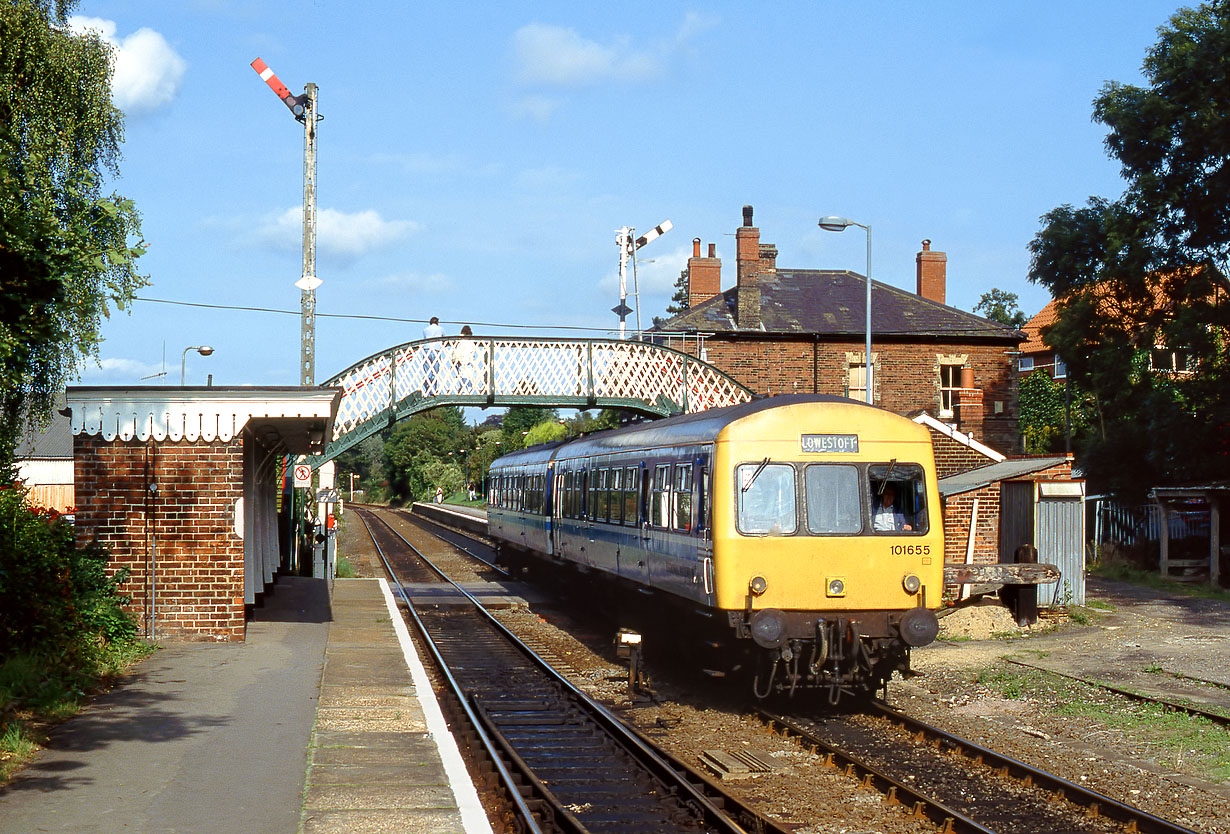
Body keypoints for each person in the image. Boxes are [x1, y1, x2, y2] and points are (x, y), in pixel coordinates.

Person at [451, 324, 482, 393]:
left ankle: (464, 390)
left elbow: (456, 350)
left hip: (461, 360)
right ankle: (467, 391)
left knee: (462, 376)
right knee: (468, 377)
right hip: (468, 360)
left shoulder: (459, 340)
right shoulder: (471, 341)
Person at [421, 316, 444, 394]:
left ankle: (428, 388)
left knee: (427, 371)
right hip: (436, 349)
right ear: (437, 322)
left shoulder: (425, 330)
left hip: (426, 349)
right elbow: (444, 337)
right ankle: (433, 389)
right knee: (435, 370)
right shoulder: (440, 329)